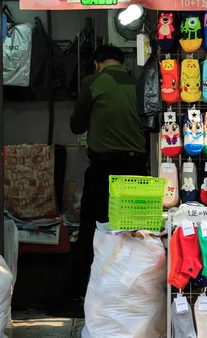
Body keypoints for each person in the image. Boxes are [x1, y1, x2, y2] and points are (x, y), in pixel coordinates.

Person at [58, 45, 147, 315]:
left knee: (93, 230)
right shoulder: (139, 82)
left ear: (97, 64)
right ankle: (133, 296)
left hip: (104, 169)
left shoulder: (94, 81)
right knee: (136, 234)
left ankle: (81, 296)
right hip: (137, 169)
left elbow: (76, 125)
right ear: (123, 62)